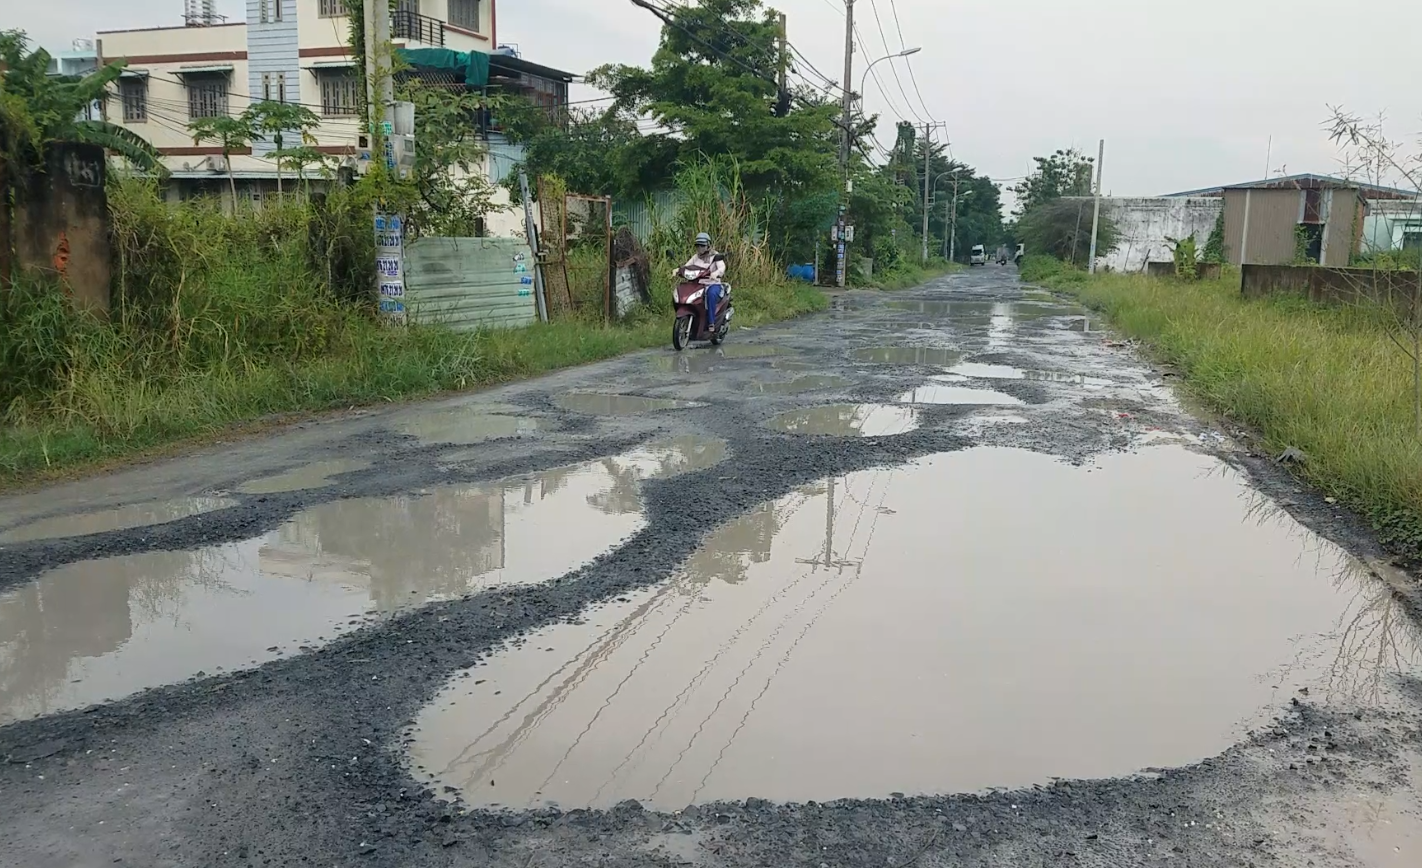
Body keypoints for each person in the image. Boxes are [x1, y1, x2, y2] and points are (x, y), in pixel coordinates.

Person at [678, 232, 727, 328]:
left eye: (702, 245)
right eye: (698, 245)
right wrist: (679, 270)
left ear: (708, 245)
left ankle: (711, 322)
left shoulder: (715, 255)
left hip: (712, 284)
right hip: (698, 284)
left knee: (711, 295)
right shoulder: (695, 257)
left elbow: (722, 268)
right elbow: (687, 266)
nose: (700, 248)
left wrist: (715, 273)